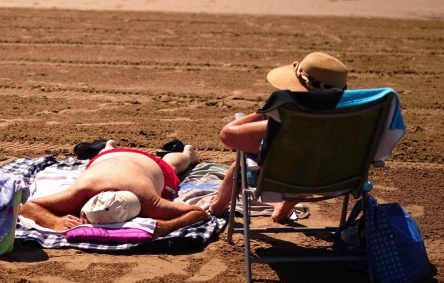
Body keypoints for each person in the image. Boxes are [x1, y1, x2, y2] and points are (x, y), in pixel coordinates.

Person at [209, 52, 349, 222]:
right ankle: (281, 212)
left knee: (242, 162)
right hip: (337, 179)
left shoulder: (285, 111)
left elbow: (228, 135)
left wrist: (262, 115)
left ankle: (216, 207)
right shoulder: (354, 113)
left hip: (277, 179)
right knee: (308, 162)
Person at [20, 142, 209, 236]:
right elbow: (27, 206)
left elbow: (199, 213)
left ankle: (187, 153)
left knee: (172, 166)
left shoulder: (148, 202)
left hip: (127, 160)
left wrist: (166, 227)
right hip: (114, 160)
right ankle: (186, 152)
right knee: (171, 164)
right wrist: (53, 222)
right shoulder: (81, 193)